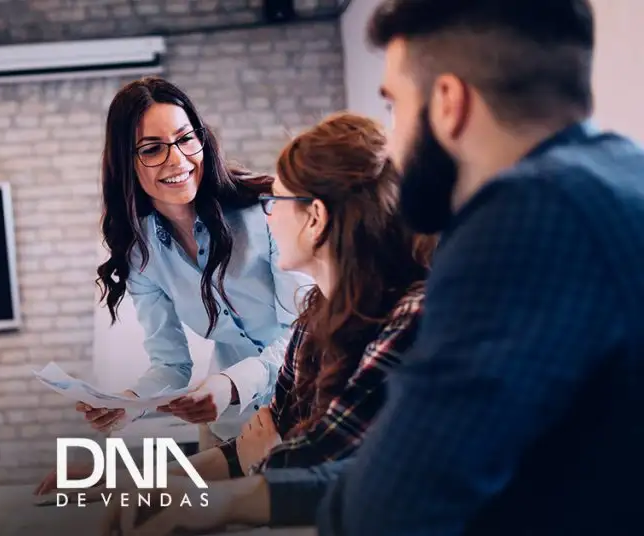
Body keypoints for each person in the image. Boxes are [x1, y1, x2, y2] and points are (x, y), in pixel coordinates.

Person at [312, 1, 644, 535]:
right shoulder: (622, 173)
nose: (390, 147)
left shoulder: (525, 215)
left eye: (394, 106)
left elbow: (388, 509)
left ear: (448, 102)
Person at [90, 113, 431, 534]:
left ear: (315, 217)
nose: (267, 215)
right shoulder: (312, 321)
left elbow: (316, 461)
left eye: (277, 201)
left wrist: (260, 462)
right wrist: (139, 484)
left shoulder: (410, 321)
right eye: (152, 148)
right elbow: (260, 444)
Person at [86, 76, 312, 448]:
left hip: (307, 410)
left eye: (186, 138)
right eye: (152, 149)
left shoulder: (266, 210)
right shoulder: (142, 253)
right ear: (126, 163)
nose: (178, 160)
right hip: (230, 427)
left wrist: (233, 384)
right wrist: (130, 403)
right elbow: (171, 365)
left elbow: (306, 331)